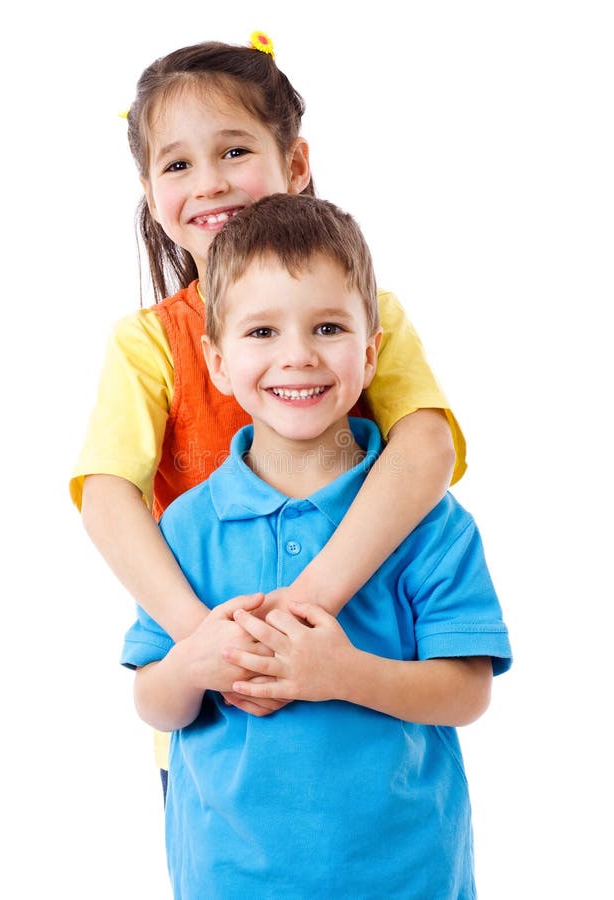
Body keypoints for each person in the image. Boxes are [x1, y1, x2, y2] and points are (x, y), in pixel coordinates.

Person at [71, 34, 467, 779]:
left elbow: (426, 450)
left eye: (233, 151)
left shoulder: (368, 317)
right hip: (221, 722)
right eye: (178, 164)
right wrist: (207, 644)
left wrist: (306, 608)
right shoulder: (148, 344)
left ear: (295, 163)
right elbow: (106, 495)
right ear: (153, 201)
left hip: (365, 689)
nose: (210, 182)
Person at [122, 193, 512, 899]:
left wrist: (339, 673)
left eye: (327, 327)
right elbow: (153, 701)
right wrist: (192, 663)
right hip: (226, 877)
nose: (296, 356)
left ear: (369, 354)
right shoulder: (185, 527)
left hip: (405, 875)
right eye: (262, 332)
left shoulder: (426, 521)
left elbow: (468, 691)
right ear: (215, 361)